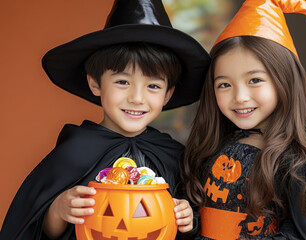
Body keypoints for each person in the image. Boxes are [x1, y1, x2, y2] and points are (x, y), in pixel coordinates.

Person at [0, 0, 210, 239]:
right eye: (122, 82)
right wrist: (57, 211)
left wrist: (188, 219)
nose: (137, 98)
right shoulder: (73, 153)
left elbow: (189, 226)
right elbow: (32, 228)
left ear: (167, 94)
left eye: (153, 85)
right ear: (95, 83)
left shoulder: (173, 156)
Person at [181, 0, 306, 239]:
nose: (240, 97)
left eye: (254, 80)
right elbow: (201, 215)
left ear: (284, 80)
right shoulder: (210, 149)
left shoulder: (295, 163)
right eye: (224, 84)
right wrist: (187, 221)